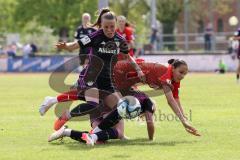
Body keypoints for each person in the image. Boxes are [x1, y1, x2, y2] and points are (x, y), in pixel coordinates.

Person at [39, 8, 145, 139]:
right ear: (101, 25)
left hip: (108, 80)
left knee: (119, 107)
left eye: (112, 27)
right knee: (93, 105)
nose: (109, 30)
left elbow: (128, 57)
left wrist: (138, 69)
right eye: (106, 27)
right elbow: (76, 45)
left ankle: (119, 135)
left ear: (116, 25)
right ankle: (68, 115)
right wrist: (66, 46)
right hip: (91, 76)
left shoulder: (120, 39)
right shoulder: (95, 36)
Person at [48, 89, 155, 144]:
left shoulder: (135, 98)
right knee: (111, 133)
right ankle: (69, 129)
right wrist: (151, 139)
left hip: (98, 107)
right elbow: (150, 123)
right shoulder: (148, 103)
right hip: (103, 106)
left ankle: (66, 132)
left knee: (100, 141)